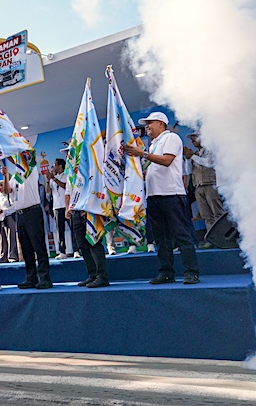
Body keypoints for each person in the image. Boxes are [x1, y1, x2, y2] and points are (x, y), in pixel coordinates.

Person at [126, 112, 200, 284]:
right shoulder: (153, 145)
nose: (147, 126)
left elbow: (167, 160)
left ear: (160, 123)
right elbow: (152, 167)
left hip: (172, 195)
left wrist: (142, 154)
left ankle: (191, 272)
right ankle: (166, 272)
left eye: (150, 123)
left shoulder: (171, 138)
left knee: (181, 234)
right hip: (153, 196)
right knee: (161, 238)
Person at [1, 164, 53, 289]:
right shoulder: (14, 177)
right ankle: (31, 277)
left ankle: (45, 278)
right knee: (26, 248)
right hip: (20, 214)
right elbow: (7, 191)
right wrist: (6, 176)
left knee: (38, 245)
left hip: (32, 212)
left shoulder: (31, 169)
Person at [65, 176, 109, 287]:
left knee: (94, 243)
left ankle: (102, 276)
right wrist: (67, 208)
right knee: (82, 245)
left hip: (89, 210)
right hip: (75, 212)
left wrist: (89, 206)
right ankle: (92, 275)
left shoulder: (89, 167)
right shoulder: (70, 171)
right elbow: (68, 192)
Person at [184, 132, 225, 249]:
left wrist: (192, 156)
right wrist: (188, 159)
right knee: (207, 215)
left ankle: (223, 238)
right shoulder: (195, 154)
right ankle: (212, 240)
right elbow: (189, 171)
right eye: (192, 139)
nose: (193, 141)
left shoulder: (211, 151)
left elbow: (209, 163)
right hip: (199, 187)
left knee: (217, 213)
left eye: (195, 138)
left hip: (210, 185)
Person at [47, 159, 71, 259]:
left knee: (73, 228)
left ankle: (77, 250)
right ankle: (62, 251)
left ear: (60, 166)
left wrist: (54, 179)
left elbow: (65, 186)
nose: (54, 167)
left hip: (66, 206)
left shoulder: (67, 176)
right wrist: (48, 180)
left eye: (55, 165)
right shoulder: (54, 178)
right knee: (59, 230)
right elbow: (48, 192)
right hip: (56, 207)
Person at [0, 180, 18, 262]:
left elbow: (14, 207)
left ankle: (12, 256)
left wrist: (4, 211)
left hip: (8, 216)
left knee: (11, 237)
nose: (0, 188)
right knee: (1, 237)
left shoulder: (9, 196)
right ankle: (3, 255)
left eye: (1, 186)